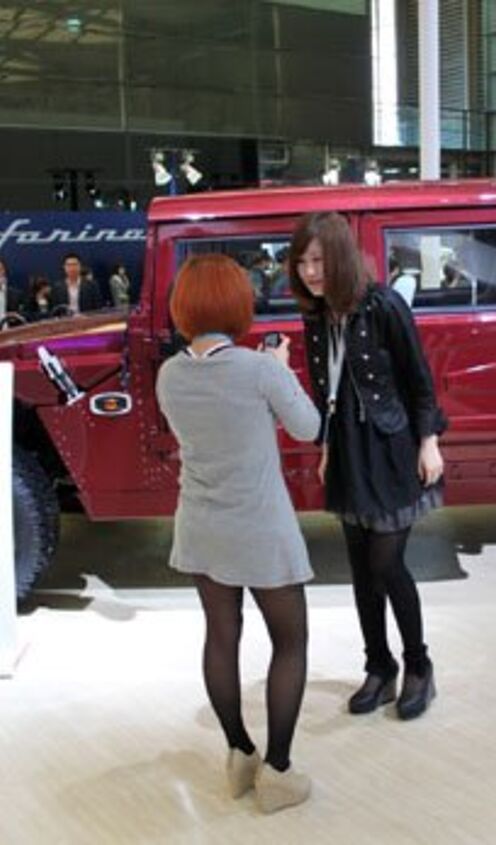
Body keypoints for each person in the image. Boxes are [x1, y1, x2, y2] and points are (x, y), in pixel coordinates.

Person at [156, 254, 320, 814]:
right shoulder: (259, 369)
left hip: (201, 524)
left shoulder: (169, 374)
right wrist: (282, 368)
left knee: (221, 637)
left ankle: (239, 754)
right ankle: (279, 771)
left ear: (183, 307)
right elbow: (308, 427)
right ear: (237, 304)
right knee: (290, 641)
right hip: (260, 526)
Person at [289, 212, 446, 721]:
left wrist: (429, 441)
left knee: (387, 565)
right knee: (360, 571)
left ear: (339, 257)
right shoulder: (315, 318)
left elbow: (419, 378)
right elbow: (325, 392)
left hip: (390, 444)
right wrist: (326, 448)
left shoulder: (383, 305)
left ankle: (418, 665)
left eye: (318, 260)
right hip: (346, 449)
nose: (310, 272)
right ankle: (379, 667)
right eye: (302, 262)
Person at [0, 259, 23, 323]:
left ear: (4, 272)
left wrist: (15, 316)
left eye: (0, 270)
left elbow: (24, 315)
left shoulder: (16, 294)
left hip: (10, 328)